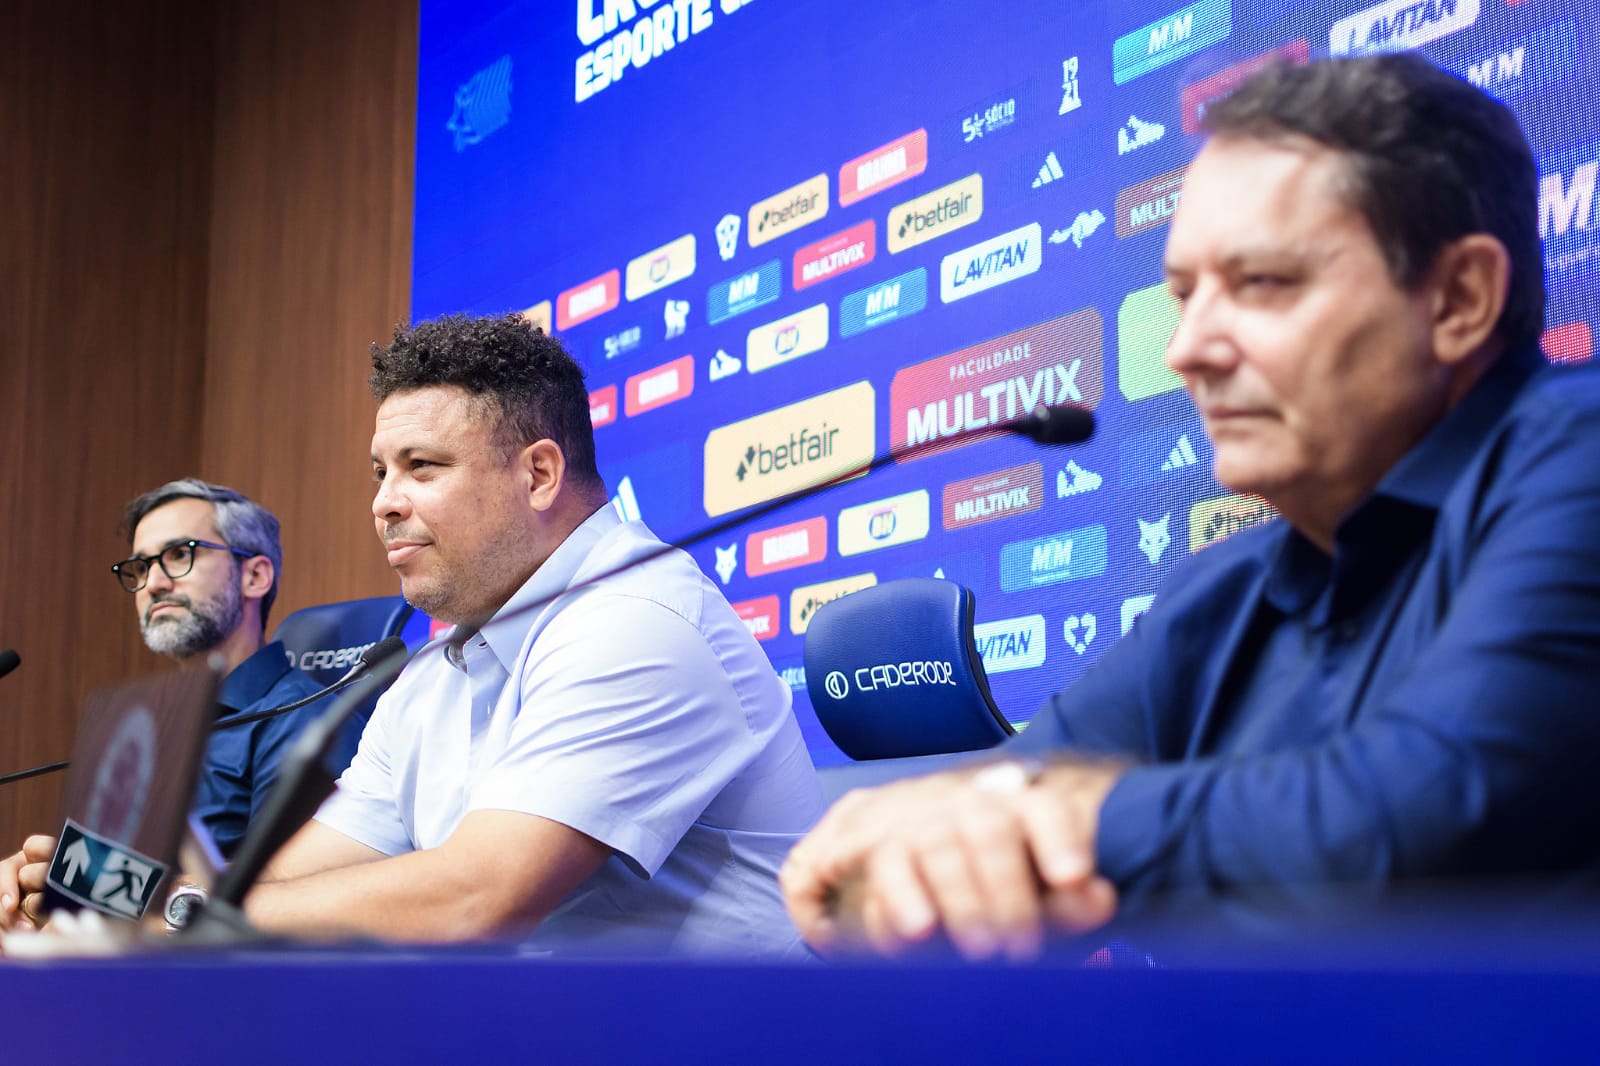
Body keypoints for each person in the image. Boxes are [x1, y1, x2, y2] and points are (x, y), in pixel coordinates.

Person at [781, 53, 1600, 961]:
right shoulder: (1221, 596)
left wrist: (1071, 819)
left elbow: (1430, 823)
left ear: (1458, 300)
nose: (1187, 349)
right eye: (1182, 294)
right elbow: (919, 874)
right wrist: (908, 858)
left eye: (1261, 285)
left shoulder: (1580, 462)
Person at [239, 313, 823, 955]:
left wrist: (202, 916)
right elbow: (298, 879)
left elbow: (475, 900)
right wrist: (194, 911)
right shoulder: (432, 672)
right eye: (381, 473)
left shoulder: (636, 619)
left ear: (539, 475)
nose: (384, 503)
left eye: (423, 466)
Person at [0, 479, 328, 931]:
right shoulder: (144, 728)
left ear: (254, 576)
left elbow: (291, 899)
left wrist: (92, 896)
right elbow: (114, 878)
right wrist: (27, 880)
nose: (153, 583)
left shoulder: (304, 717)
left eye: (180, 554)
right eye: (139, 566)